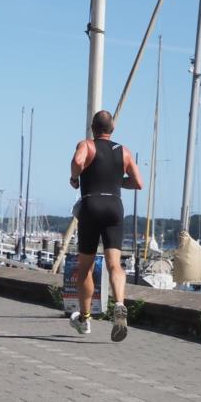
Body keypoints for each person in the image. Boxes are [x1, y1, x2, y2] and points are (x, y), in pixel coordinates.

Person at [67, 110, 143, 341]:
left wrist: (74, 178)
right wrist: (117, 181)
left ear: (92, 128)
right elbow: (138, 183)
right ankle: (119, 303)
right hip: (115, 206)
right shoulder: (124, 151)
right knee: (114, 264)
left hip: (91, 205)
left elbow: (78, 161)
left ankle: (85, 319)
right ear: (112, 130)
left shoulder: (87, 145)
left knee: (85, 268)